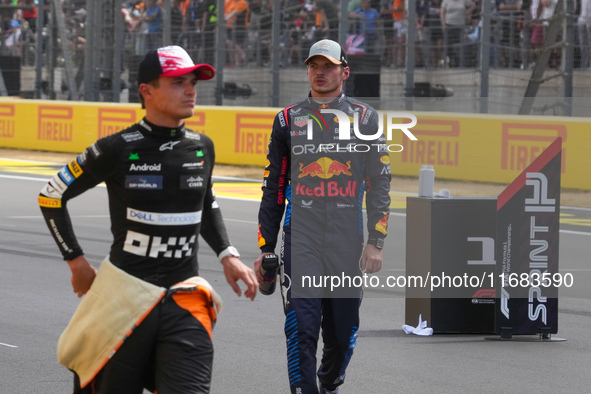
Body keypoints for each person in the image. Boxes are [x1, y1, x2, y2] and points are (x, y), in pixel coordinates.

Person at [38, 45, 258, 393]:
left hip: (185, 296)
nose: (190, 90)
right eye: (177, 82)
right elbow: (51, 195)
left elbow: (206, 202)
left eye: (193, 83)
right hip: (123, 298)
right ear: (147, 91)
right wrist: (76, 262)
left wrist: (227, 254)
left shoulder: (203, 147)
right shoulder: (115, 148)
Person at [255, 39, 391, 394]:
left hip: (348, 241)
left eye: (328, 66)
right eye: (314, 65)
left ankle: (329, 381)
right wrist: (266, 246)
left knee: (342, 332)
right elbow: (274, 186)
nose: (321, 72)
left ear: (344, 72)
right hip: (302, 237)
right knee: (301, 328)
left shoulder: (365, 118)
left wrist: (376, 242)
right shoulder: (287, 120)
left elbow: (379, 183)